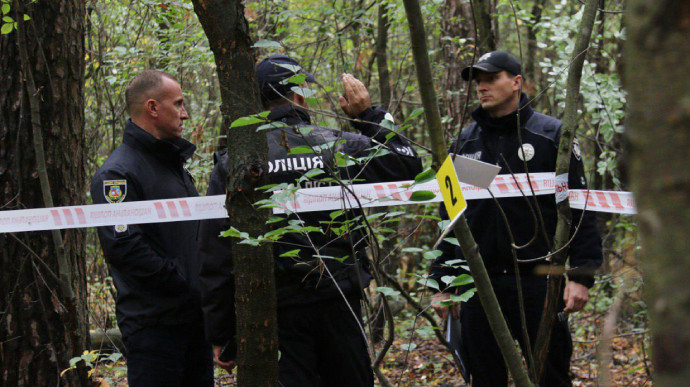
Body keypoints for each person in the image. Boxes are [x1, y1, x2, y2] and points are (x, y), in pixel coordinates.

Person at [199, 55, 423, 386]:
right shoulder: (340, 145)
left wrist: (220, 332)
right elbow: (408, 164)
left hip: (273, 311)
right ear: (300, 95)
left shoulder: (235, 161)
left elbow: (216, 252)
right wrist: (368, 115)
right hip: (339, 301)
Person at [429, 51, 603, 386]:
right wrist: (442, 282)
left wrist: (581, 275)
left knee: (549, 376)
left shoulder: (552, 136)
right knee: (485, 378)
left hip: (541, 280)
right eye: (477, 81)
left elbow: (580, 209)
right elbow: (450, 216)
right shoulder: (465, 143)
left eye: (491, 78)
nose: (482, 87)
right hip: (480, 283)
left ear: (517, 82)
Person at [91, 70, 213, 386]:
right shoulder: (117, 174)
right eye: (179, 104)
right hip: (153, 329)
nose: (185, 113)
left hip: (194, 322)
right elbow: (124, 246)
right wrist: (182, 281)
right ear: (153, 108)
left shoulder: (173, 166)